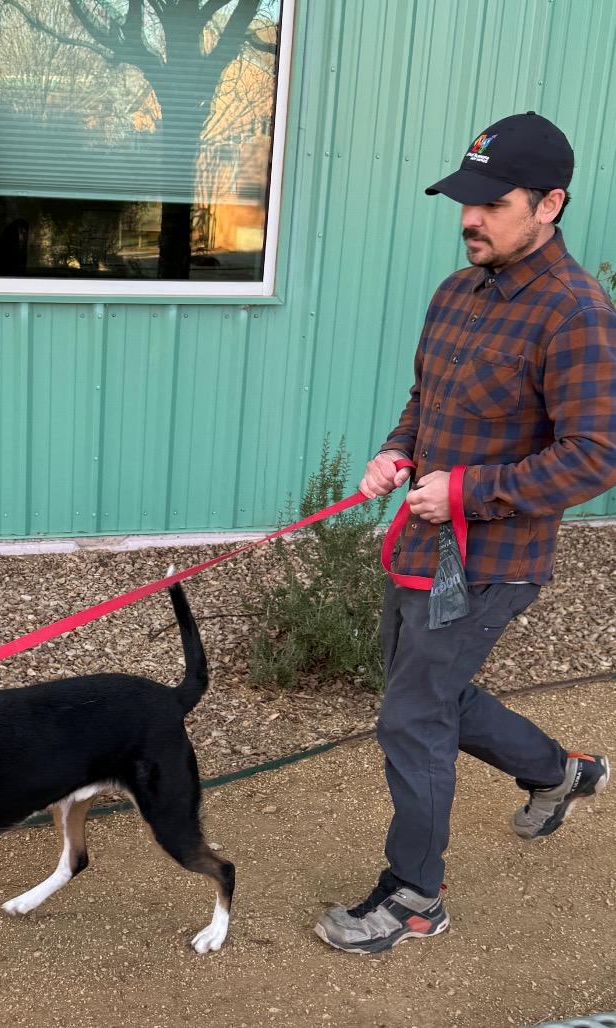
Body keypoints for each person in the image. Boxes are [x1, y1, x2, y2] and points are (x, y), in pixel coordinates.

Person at [315, 112, 616, 954]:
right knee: (424, 693)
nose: (469, 217)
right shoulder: (458, 292)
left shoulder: (576, 313)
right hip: (421, 546)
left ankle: (415, 897)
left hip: (493, 559)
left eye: (492, 202)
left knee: (412, 715)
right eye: (464, 199)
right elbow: (426, 403)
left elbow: (596, 455)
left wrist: (469, 493)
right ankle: (561, 772)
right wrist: (395, 451)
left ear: (550, 203)